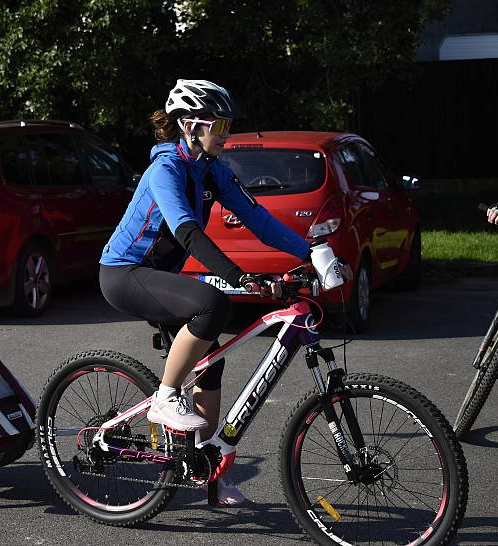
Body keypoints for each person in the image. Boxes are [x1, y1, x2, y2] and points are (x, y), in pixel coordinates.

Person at [99, 79, 338, 506]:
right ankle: (165, 398)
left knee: (211, 364)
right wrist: (238, 275)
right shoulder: (165, 170)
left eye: (226, 124)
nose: (226, 134)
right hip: (124, 272)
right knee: (212, 304)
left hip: (159, 276)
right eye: (220, 125)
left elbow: (257, 219)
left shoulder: (211, 171)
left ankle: (209, 472)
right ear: (191, 126)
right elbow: (187, 232)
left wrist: (312, 250)